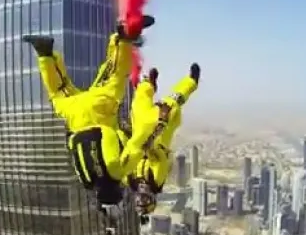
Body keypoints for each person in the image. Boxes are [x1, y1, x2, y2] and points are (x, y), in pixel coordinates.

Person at [22, 17, 155, 213]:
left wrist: (148, 132)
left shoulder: (118, 173)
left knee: (115, 76)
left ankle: (125, 37)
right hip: (74, 114)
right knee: (59, 92)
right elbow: (71, 147)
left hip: (100, 110)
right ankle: (44, 53)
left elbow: (135, 145)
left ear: (117, 190)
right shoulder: (86, 180)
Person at [126, 63, 201, 220]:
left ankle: (148, 84)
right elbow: (160, 159)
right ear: (152, 197)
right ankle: (192, 82)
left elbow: (123, 163)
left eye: (139, 200)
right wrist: (149, 147)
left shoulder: (131, 181)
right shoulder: (156, 181)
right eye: (145, 199)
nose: (141, 196)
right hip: (160, 131)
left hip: (140, 134)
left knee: (138, 105)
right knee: (173, 103)